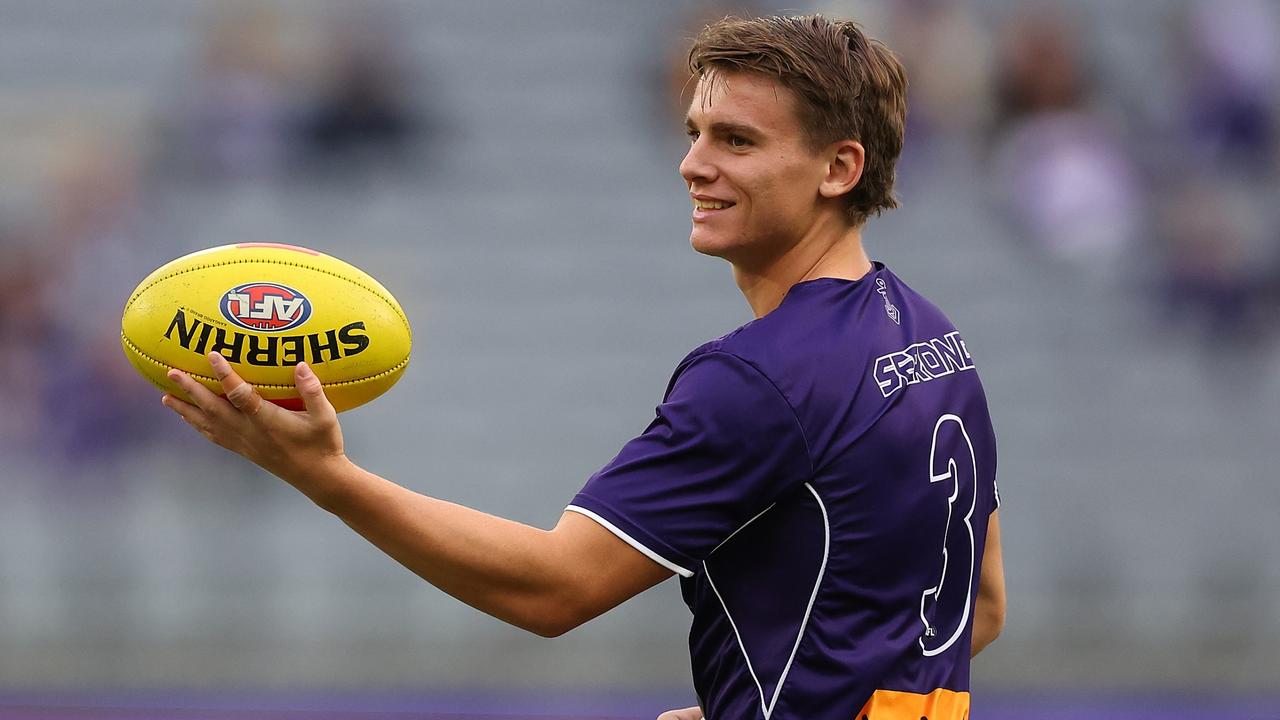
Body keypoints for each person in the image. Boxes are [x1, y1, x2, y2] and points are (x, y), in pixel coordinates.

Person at [161, 14, 1005, 720]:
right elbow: (982, 607)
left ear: (839, 167)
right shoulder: (933, 338)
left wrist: (324, 475)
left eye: (737, 140)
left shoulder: (759, 380)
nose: (693, 164)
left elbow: (555, 590)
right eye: (694, 133)